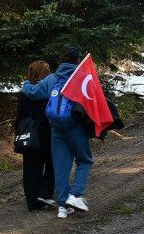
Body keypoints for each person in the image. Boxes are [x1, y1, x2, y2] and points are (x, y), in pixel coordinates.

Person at [21, 45, 91, 219]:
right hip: (75, 127)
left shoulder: (52, 78)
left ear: (62, 60)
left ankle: (62, 206)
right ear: (77, 60)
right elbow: (92, 100)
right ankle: (75, 196)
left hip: (56, 128)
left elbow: (33, 92)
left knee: (61, 166)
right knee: (84, 160)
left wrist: (25, 84)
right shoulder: (82, 77)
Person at [16, 61, 56, 210]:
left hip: (28, 133)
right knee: (53, 163)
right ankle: (44, 194)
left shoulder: (24, 92)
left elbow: (20, 115)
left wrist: (19, 132)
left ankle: (33, 203)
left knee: (31, 167)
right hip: (46, 132)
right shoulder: (47, 91)